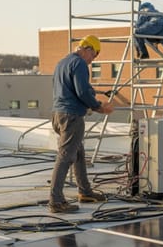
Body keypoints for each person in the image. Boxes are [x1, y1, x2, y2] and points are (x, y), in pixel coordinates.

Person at [49, 35, 115, 213]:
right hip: (72, 116)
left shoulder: (63, 62)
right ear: (87, 49)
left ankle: (85, 191)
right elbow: (82, 92)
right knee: (65, 157)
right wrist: (99, 106)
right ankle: (56, 201)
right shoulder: (79, 64)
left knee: (77, 152)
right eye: (93, 56)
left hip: (58, 114)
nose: (92, 61)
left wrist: (89, 93)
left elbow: (65, 87)